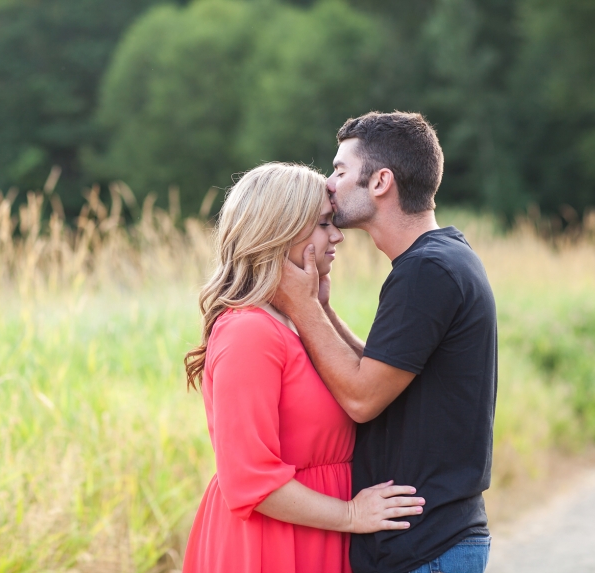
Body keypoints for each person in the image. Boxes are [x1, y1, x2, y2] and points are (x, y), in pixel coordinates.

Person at [273, 112, 497, 573]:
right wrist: (325, 311)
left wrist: (301, 308)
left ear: (380, 182)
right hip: (427, 542)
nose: (328, 183)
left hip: (425, 546)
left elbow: (361, 398)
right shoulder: (443, 258)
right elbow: (383, 370)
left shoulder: (426, 271)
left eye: (339, 170)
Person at [182, 162, 425, 573]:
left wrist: (319, 309)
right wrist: (350, 515)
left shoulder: (292, 324)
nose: (337, 236)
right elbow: (250, 480)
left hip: (316, 536)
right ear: (279, 231)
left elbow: (371, 385)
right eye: (323, 224)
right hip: (271, 545)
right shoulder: (249, 332)